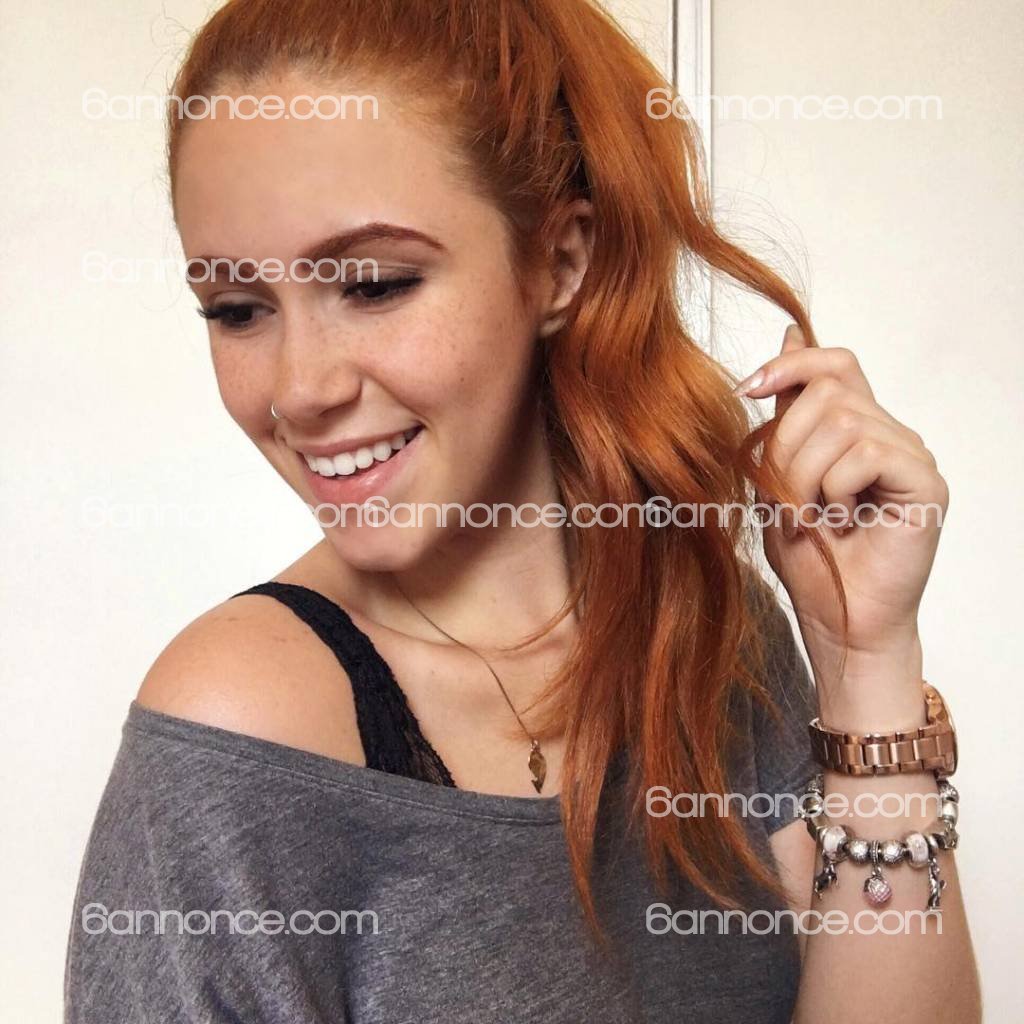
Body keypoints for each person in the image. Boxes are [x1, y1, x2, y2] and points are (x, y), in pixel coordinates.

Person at [65, 1, 980, 1021]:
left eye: (373, 284)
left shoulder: (702, 627)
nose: (298, 388)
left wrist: (864, 663)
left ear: (560, 263)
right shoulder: (236, 736)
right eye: (237, 309)